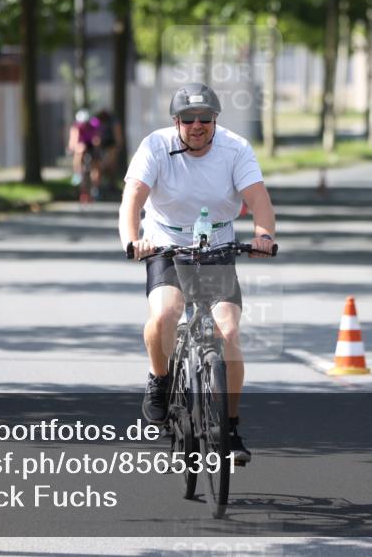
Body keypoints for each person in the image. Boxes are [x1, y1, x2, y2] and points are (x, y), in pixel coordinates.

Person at [119, 82, 277, 464]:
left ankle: (231, 427)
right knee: (165, 314)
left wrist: (263, 236)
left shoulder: (235, 149)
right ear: (176, 121)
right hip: (165, 244)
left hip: (217, 245)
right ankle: (160, 380)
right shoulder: (155, 147)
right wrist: (133, 240)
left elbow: (259, 200)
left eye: (204, 119)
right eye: (188, 119)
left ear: (215, 120)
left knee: (230, 332)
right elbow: (133, 199)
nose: (196, 125)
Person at [68, 109, 101, 191]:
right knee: (79, 150)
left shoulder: (94, 125)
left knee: (96, 165)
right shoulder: (76, 127)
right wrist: (74, 147)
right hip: (81, 145)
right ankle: (77, 174)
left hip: (91, 145)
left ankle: (95, 186)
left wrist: (96, 144)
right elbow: (73, 141)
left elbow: (97, 138)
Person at [95, 108, 124, 192]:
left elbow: (118, 136)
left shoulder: (113, 121)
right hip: (101, 147)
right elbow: (96, 137)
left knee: (110, 166)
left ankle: (110, 185)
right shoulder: (98, 122)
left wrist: (117, 147)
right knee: (100, 167)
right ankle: (98, 187)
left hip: (111, 146)